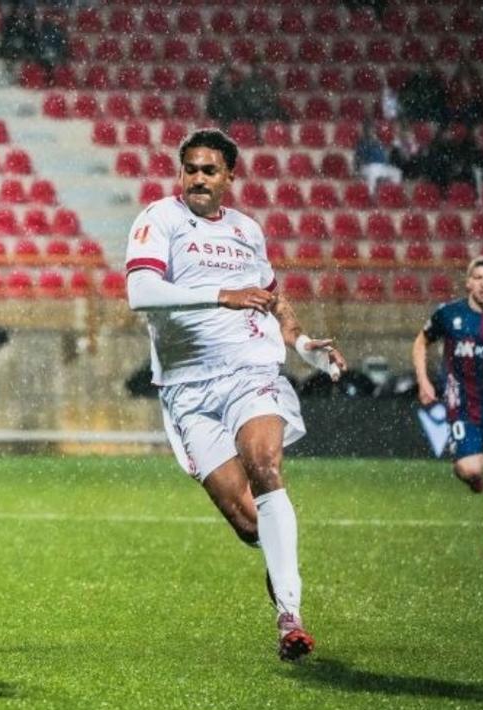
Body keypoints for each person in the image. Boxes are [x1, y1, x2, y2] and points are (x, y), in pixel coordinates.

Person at [124, 128, 347, 661]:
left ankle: (289, 616)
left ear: (229, 177)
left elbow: (273, 299)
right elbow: (141, 292)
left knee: (265, 463)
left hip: (251, 371)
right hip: (187, 386)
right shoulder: (160, 219)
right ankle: (275, 554)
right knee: (246, 518)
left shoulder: (248, 230)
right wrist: (221, 294)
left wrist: (303, 345)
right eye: (190, 169)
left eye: (209, 170)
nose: (198, 178)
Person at [411, 256, 483, 558]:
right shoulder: (449, 314)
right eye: (479, 277)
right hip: (463, 405)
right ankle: (473, 477)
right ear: (469, 282)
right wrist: (423, 381)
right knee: (469, 467)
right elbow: (421, 342)